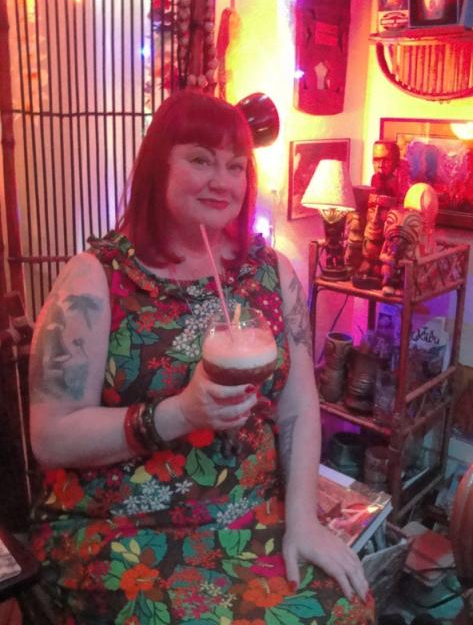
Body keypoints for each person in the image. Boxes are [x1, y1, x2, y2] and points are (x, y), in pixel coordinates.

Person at [28, 90, 373, 624]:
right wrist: (180, 413)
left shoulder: (272, 272)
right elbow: (50, 437)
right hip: (125, 525)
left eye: (235, 166)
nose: (222, 181)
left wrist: (303, 521)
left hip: (251, 514)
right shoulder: (96, 278)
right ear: (157, 167)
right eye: (200, 159)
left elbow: (300, 410)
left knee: (348, 605)